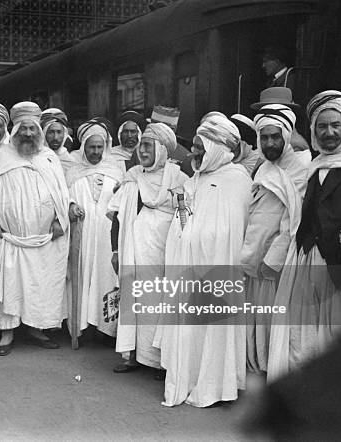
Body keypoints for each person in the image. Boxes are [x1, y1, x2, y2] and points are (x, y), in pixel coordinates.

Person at [267, 91, 341, 381]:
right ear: (313, 131)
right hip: (309, 262)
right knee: (305, 338)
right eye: (322, 127)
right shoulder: (316, 168)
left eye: (335, 125)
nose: (329, 132)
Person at [154, 113, 252, 407]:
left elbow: (233, 231)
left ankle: (215, 386)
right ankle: (186, 378)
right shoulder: (196, 179)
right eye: (195, 146)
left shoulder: (237, 181)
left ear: (218, 148)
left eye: (200, 147)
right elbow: (183, 219)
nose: (194, 152)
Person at [0, 101, 70, 356]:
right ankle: (7, 334)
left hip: (44, 240)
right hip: (12, 238)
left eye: (33, 129)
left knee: (39, 286)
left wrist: (59, 220)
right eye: (24, 129)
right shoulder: (3, 156)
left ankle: (36, 329)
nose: (29, 134)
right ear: (16, 130)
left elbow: (61, 195)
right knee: (11, 286)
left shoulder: (49, 158)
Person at [108, 123, 187, 377]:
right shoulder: (133, 177)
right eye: (141, 145)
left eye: (148, 146)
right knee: (134, 298)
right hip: (135, 246)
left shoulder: (178, 178)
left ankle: (159, 360)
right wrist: (115, 251)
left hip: (166, 247)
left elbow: (187, 214)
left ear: (162, 149)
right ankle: (131, 355)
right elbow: (117, 216)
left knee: (160, 301)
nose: (142, 150)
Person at [240, 104, 310, 373]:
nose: (270, 143)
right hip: (254, 258)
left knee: (275, 325)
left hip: (277, 264)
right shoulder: (263, 166)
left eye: (275, 137)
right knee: (257, 323)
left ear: (286, 135)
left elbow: (293, 219)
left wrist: (273, 259)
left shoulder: (301, 166)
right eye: (264, 137)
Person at [65, 120, 123, 340]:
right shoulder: (73, 171)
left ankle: (107, 330)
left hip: (107, 238)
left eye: (100, 147)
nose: (96, 152)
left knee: (106, 279)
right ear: (84, 147)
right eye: (92, 147)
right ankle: (79, 328)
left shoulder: (115, 170)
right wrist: (71, 205)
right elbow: (63, 197)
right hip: (82, 234)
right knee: (81, 277)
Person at [40, 108, 75, 172]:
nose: (55, 137)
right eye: (51, 132)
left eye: (59, 132)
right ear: (44, 134)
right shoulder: (37, 159)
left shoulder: (70, 162)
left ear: (64, 135)